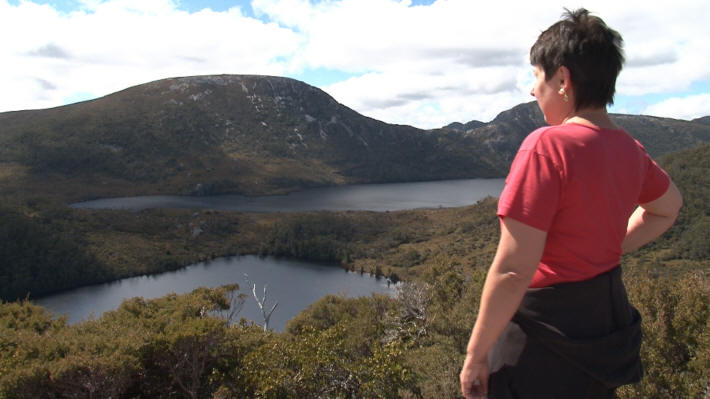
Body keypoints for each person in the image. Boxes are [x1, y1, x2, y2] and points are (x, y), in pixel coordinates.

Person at [460, 8, 683, 399]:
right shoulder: (631, 151)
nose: (533, 91)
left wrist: (476, 354)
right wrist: (612, 245)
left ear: (562, 78)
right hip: (603, 333)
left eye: (536, 77)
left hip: (541, 343)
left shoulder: (547, 146)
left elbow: (513, 271)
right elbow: (668, 207)